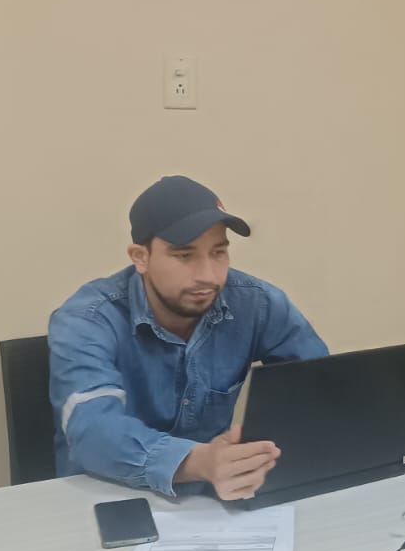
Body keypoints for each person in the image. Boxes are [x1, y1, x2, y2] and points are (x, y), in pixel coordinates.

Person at [49, 176, 328, 501]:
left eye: (218, 252)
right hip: (104, 498)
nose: (208, 275)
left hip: (213, 502)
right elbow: (92, 430)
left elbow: (320, 392)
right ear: (140, 257)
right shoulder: (87, 318)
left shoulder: (257, 303)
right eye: (184, 255)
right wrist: (199, 462)